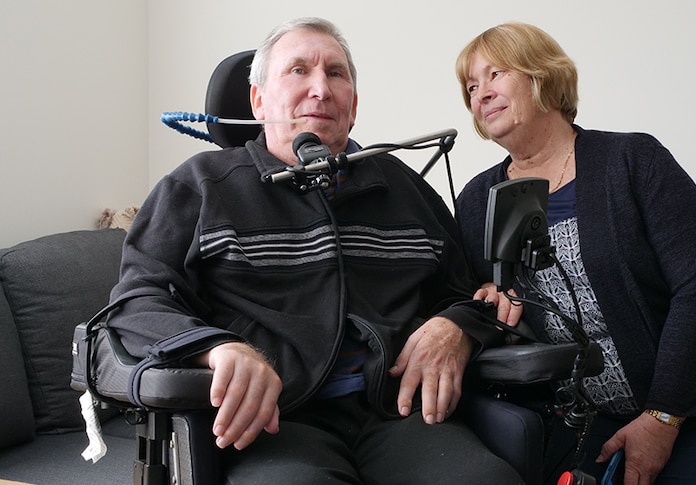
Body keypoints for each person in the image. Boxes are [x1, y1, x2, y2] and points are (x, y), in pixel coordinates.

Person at [106, 17, 523, 485]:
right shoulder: (199, 186)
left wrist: (456, 325)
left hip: (397, 414)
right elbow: (137, 300)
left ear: (354, 106)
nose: (320, 89)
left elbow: (464, 291)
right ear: (258, 101)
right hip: (277, 423)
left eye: (336, 73)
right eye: (298, 70)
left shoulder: (406, 188)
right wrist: (217, 349)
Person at [453, 22, 696, 485]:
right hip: (585, 417)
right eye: (472, 86)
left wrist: (663, 416)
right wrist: (490, 294)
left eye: (495, 75)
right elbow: (479, 297)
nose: (481, 94)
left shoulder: (633, 161)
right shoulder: (477, 201)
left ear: (542, 75)